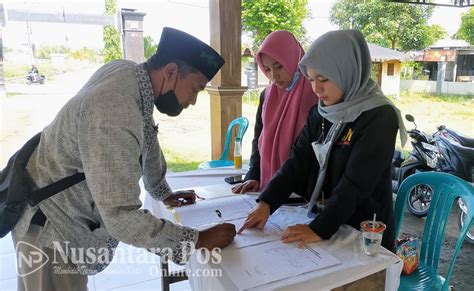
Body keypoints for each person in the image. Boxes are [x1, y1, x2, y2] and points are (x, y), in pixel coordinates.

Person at [10, 27, 236, 290]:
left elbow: (147, 136)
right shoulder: (114, 112)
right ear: (171, 72)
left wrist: (162, 192)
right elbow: (120, 216)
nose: (193, 101)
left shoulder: (131, 76)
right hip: (50, 227)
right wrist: (196, 240)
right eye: (196, 89)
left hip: (54, 211)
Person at [238, 30, 407, 252]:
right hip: (327, 221)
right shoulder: (320, 113)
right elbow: (297, 161)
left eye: (323, 79)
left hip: (364, 233)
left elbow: (355, 185)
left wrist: (319, 229)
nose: (316, 88)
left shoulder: (379, 117)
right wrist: (267, 203)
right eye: (311, 79)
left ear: (346, 71)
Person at [231, 30, 318, 194]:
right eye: (267, 69)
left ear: (295, 59)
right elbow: (259, 137)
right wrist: (254, 175)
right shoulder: (267, 95)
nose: (274, 76)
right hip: (267, 184)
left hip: (302, 190)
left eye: (279, 66)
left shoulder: (315, 93)